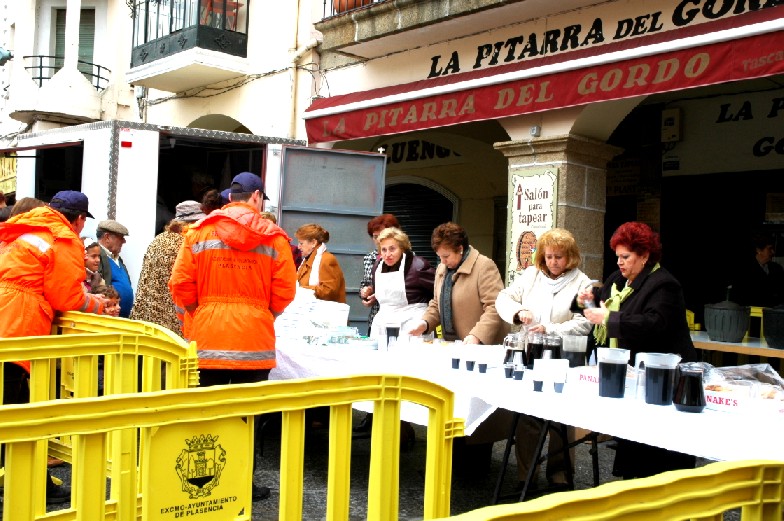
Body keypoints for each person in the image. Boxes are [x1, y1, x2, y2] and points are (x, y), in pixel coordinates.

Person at [169, 171, 296, 501]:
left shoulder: (199, 232)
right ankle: (242, 484)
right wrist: (262, 314)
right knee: (247, 417)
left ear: (230, 198)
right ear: (256, 197)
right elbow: (285, 291)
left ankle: (203, 485)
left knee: (207, 414)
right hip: (254, 341)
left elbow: (180, 283)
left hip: (209, 338)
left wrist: (201, 313)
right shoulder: (274, 238)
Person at [0, 190, 107, 503]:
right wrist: (99, 305)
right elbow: (66, 297)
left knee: (15, 410)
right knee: (16, 413)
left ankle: (37, 483)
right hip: (17, 325)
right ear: (79, 219)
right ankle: (38, 486)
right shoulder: (63, 238)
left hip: (8, 318)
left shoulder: (28, 228)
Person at [577, 221, 698, 479]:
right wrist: (584, 301)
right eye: (617, 256)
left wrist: (609, 318)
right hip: (637, 372)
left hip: (664, 375)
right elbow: (601, 299)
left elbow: (653, 323)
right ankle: (633, 487)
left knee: (658, 445)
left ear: (644, 255)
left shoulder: (664, 284)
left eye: (625, 257)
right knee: (634, 435)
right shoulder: (619, 280)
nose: (619, 263)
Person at [495, 227, 592, 489]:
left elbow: (584, 323)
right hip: (531, 353)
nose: (553, 262)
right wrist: (519, 312)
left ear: (570, 257)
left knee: (560, 418)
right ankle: (526, 476)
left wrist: (550, 329)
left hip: (564, 356)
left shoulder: (583, 283)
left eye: (559, 257)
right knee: (528, 415)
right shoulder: (531, 275)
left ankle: (560, 476)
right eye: (548, 256)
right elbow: (504, 298)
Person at [409, 222, 507, 345]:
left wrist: (476, 335)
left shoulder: (484, 266)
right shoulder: (441, 269)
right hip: (452, 344)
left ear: (460, 249)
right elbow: (436, 303)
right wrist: (425, 323)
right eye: (439, 257)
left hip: (480, 346)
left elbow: (495, 306)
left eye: (446, 256)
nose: (443, 261)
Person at [130, 200, 206, 336]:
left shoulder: (158, 240)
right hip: (171, 323)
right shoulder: (185, 243)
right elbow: (182, 282)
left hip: (146, 319)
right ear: (194, 222)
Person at [363, 227, 435, 340]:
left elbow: (438, 291)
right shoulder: (377, 267)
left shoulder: (418, 266)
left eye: (392, 249)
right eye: (384, 250)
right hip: (383, 324)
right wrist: (373, 294)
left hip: (412, 324)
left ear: (402, 248)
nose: (387, 254)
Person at [360, 214, 401, 332]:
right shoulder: (369, 258)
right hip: (375, 319)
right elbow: (365, 283)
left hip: (398, 321)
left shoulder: (406, 258)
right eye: (375, 236)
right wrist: (365, 293)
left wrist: (378, 294)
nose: (378, 240)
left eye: (382, 235)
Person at [295, 223, 346, 303]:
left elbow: (329, 291)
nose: (298, 247)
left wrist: (302, 290)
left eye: (301, 243)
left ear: (313, 243)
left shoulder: (327, 260)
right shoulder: (307, 260)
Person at [730, 232, 784, 308]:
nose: (773, 252)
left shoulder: (776, 269)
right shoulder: (744, 270)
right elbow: (742, 297)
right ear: (759, 250)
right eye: (769, 249)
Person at [96, 219, 134, 318]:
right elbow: (98, 289)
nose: (124, 241)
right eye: (121, 237)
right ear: (107, 237)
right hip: (109, 318)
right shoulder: (97, 257)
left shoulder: (116, 258)